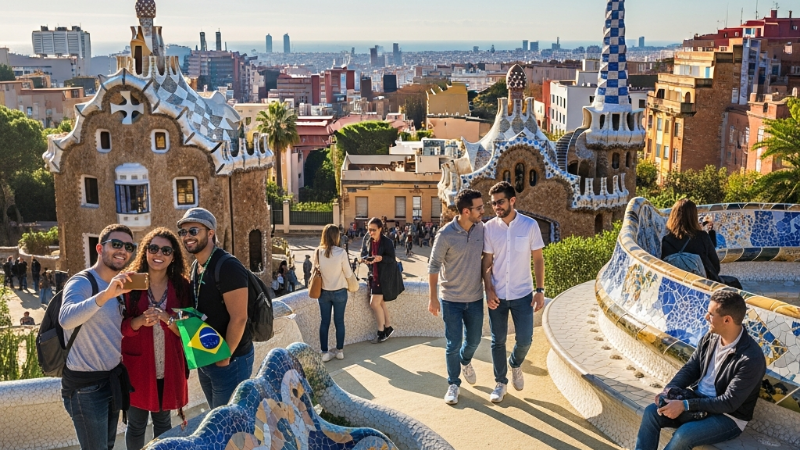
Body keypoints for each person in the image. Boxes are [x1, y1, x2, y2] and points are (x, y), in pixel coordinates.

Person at [635, 290, 766, 450]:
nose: (706, 317)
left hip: (728, 417)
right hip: (697, 400)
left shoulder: (751, 358)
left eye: (711, 314)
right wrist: (668, 391)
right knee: (651, 413)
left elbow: (729, 403)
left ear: (727, 320)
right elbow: (691, 368)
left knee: (684, 435)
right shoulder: (710, 338)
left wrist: (685, 405)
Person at [60, 224, 137, 450]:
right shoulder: (82, 282)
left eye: (128, 246)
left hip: (111, 380)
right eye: (116, 244)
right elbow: (66, 319)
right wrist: (105, 295)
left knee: (108, 445)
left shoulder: (121, 284)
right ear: (100, 248)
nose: (122, 250)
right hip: (85, 388)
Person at [177, 208, 254, 409]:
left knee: (229, 425)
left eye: (193, 231)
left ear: (210, 232)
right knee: (216, 418)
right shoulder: (197, 266)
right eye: (183, 232)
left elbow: (239, 318)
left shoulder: (227, 266)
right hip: (207, 358)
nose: (187, 237)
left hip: (230, 361)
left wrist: (224, 357)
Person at [121, 228, 191, 450]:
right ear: (145, 252)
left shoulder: (181, 287)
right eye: (153, 248)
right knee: (136, 425)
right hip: (138, 368)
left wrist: (167, 319)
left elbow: (188, 330)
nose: (158, 254)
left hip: (168, 367)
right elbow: (119, 327)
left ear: (173, 256)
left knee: (163, 423)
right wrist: (139, 321)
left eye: (166, 250)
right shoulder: (130, 283)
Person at [481, 181, 546, 403]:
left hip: (523, 294)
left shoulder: (529, 226)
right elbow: (487, 262)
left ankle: (515, 364)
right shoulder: (489, 227)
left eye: (500, 202)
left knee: (525, 339)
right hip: (497, 295)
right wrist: (488, 290)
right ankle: (500, 383)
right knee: (497, 341)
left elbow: (538, 259)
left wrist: (540, 290)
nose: (496, 207)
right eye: (493, 203)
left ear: (512, 200)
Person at [428, 189, 486, 405]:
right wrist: (433, 298)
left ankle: (465, 361)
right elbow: (433, 266)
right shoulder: (445, 234)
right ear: (465, 211)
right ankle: (453, 384)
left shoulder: (481, 229)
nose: (483, 211)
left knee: (474, 340)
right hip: (450, 299)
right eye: (479, 208)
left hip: (474, 298)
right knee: (453, 343)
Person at [661, 199, 741, 289]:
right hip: (701, 286)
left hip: (675, 286)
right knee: (734, 283)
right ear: (693, 216)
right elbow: (715, 267)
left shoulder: (666, 240)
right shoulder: (701, 236)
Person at [315, 224, 355, 362]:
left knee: (324, 322)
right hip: (339, 292)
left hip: (324, 293)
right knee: (339, 322)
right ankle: (339, 351)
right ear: (337, 236)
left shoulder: (318, 252)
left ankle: (324, 352)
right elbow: (348, 273)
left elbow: (314, 272)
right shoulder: (341, 253)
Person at [361, 217, 404, 344]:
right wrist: (365, 259)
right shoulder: (368, 239)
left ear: (380, 229)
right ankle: (388, 328)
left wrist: (381, 258)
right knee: (380, 303)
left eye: (373, 230)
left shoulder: (387, 242)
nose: (371, 232)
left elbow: (392, 259)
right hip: (373, 275)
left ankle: (381, 333)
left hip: (384, 277)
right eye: (369, 229)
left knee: (374, 304)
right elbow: (363, 253)